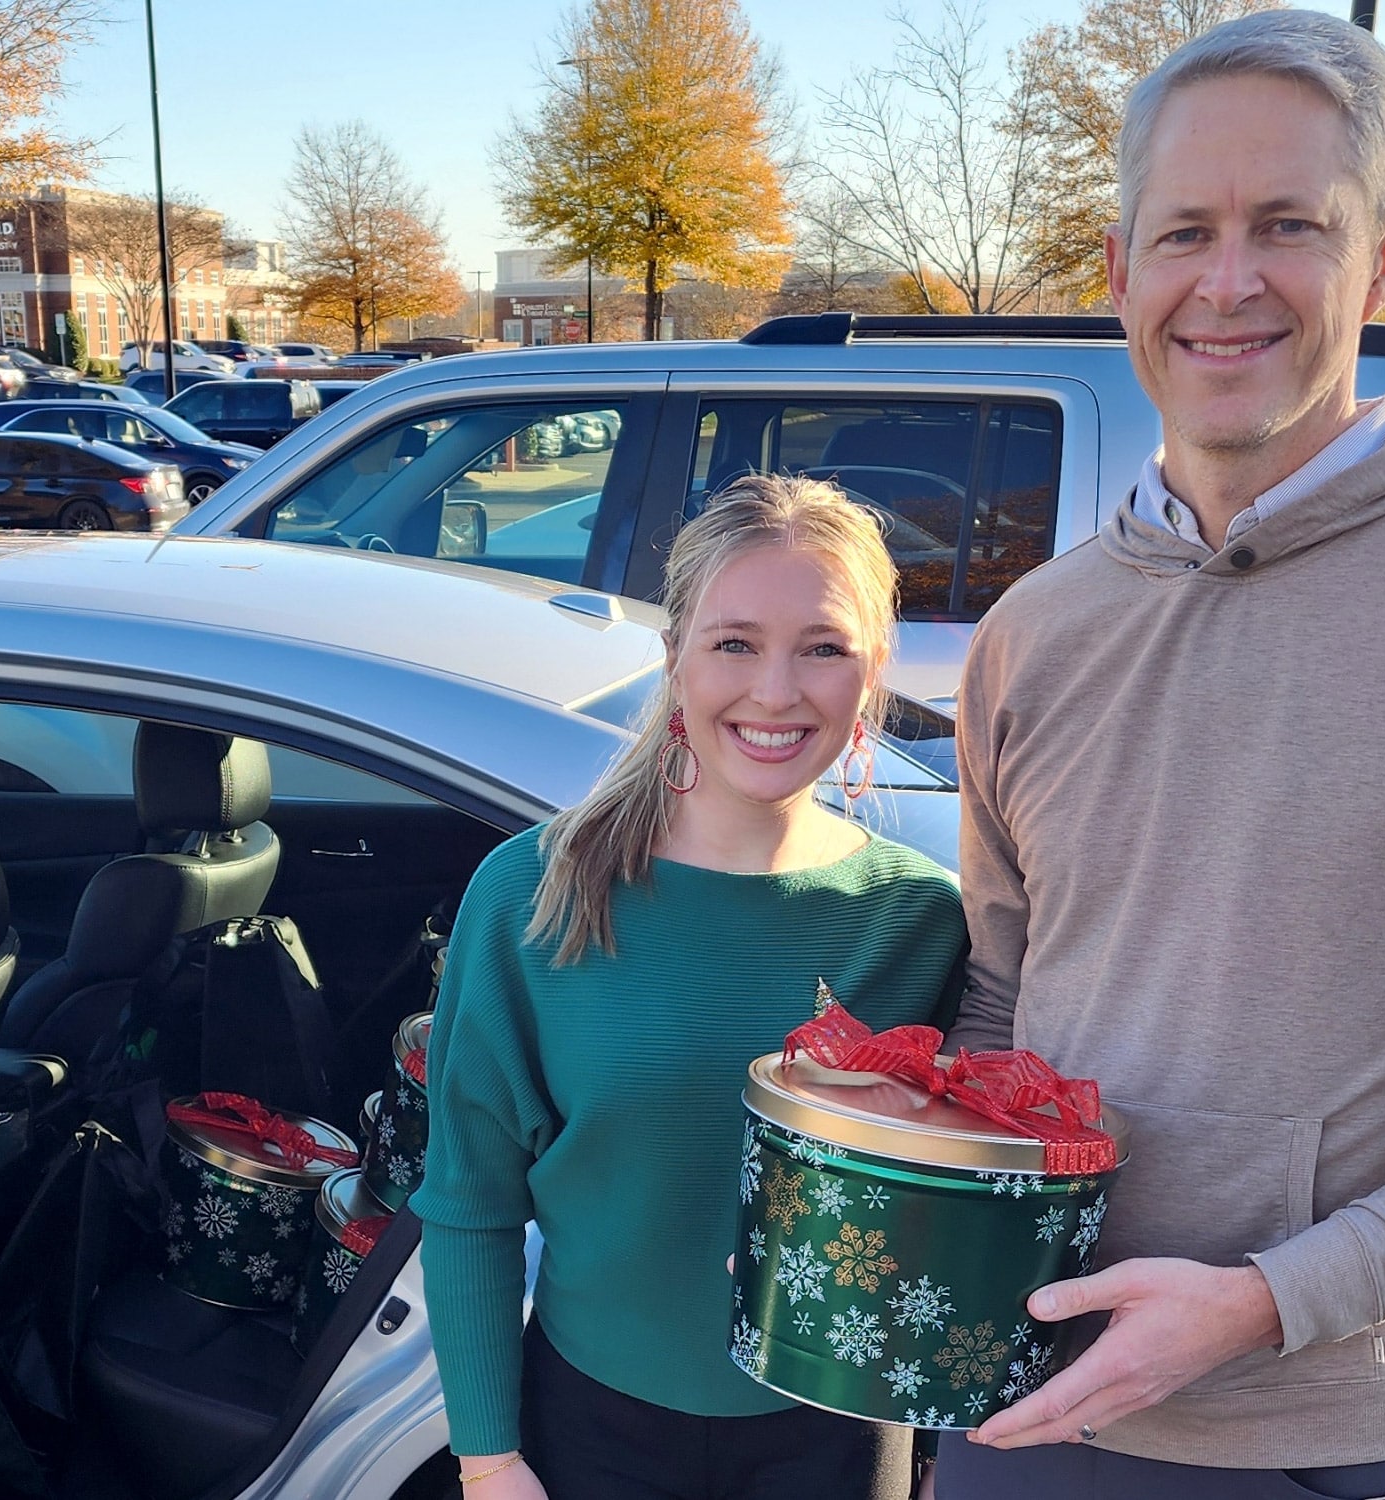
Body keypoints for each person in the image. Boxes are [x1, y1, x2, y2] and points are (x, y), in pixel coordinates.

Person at [939, 11, 1385, 1499]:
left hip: (1306, 1442)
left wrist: (1267, 1302)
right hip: (1016, 1409)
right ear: (1117, 266)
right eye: (1183, 232)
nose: (1226, 283)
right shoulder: (1033, 631)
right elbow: (1005, 997)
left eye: (1288, 225)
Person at [410, 473, 970, 1500]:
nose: (776, 692)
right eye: (734, 643)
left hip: (842, 1441)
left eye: (823, 648)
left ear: (871, 673)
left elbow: (953, 1226)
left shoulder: (923, 918)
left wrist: (937, 1450)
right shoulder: (536, 895)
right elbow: (467, 1203)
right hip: (592, 1431)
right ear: (675, 659)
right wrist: (487, 1460)